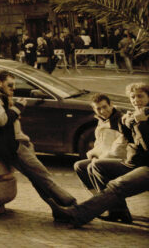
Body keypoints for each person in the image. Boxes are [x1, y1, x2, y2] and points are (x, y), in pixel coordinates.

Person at [0, 70, 76, 218]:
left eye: (14, 85)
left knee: (37, 176)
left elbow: (12, 124)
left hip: (13, 142)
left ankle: (58, 209)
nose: (13, 88)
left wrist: (24, 138)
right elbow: (2, 120)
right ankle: (70, 203)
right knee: (41, 174)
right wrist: (17, 108)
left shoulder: (1, 95)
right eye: (10, 85)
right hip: (4, 144)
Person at [51, 82, 149, 227]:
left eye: (140, 96)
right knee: (96, 166)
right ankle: (117, 212)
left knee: (117, 185)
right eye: (132, 97)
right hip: (133, 162)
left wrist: (140, 124)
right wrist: (127, 124)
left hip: (145, 166)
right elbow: (132, 141)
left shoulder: (144, 118)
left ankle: (77, 214)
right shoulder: (137, 115)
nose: (136, 100)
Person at [73, 93, 126, 196]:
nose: (102, 111)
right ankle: (97, 197)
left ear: (111, 105)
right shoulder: (102, 121)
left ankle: (108, 201)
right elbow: (99, 144)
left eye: (105, 107)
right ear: (94, 110)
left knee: (93, 166)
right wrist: (93, 153)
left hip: (121, 160)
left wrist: (99, 158)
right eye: (98, 109)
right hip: (105, 158)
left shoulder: (121, 121)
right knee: (79, 166)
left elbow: (120, 149)